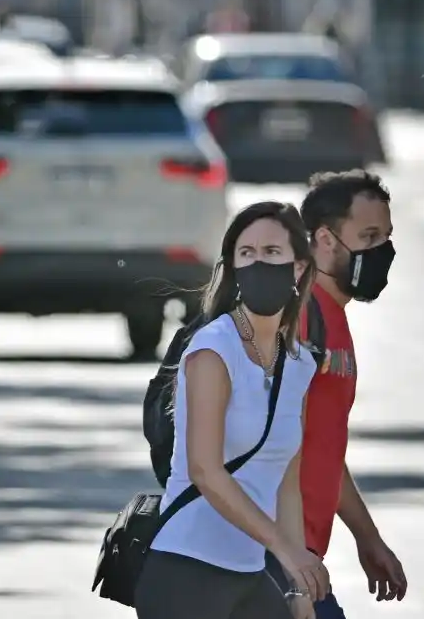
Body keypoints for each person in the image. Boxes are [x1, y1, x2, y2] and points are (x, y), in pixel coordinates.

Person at [135, 201, 327, 619]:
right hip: (185, 572)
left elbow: (286, 483)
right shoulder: (212, 348)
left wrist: (298, 587)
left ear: (298, 267)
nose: (259, 264)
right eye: (247, 254)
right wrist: (283, 548)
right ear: (234, 268)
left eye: (272, 253)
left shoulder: (299, 364)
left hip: (250, 574)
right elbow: (205, 470)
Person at [269, 170, 406, 619]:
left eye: (385, 236)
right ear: (324, 240)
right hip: (272, 558)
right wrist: (292, 565)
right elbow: (281, 442)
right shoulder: (301, 316)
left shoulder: (331, 318)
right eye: (368, 236)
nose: (382, 251)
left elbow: (322, 446)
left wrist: (367, 538)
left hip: (297, 556)